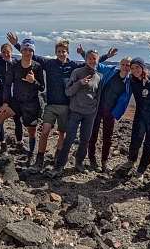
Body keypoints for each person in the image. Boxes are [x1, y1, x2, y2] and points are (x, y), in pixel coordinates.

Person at [7, 33, 111, 172]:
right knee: (45, 131)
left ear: (67, 53)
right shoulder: (49, 64)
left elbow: (91, 62)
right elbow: (30, 55)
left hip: (67, 106)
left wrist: (105, 57)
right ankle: (39, 159)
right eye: (59, 51)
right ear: (56, 53)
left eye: (64, 51)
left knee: (62, 133)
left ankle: (57, 157)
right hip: (51, 104)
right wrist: (16, 44)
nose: (61, 54)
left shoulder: (73, 66)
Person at [78, 46, 132, 172]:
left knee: (108, 137)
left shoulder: (129, 81)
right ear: (120, 64)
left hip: (111, 112)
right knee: (93, 135)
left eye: (128, 65)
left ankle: (104, 162)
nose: (125, 67)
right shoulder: (111, 71)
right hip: (98, 108)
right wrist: (83, 53)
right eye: (123, 64)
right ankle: (92, 159)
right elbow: (93, 62)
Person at [49, 49, 102, 178]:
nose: (92, 61)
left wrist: (94, 111)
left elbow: (98, 96)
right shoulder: (77, 72)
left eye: (94, 58)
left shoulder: (99, 76)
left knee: (85, 140)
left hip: (89, 114)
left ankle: (79, 163)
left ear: (98, 60)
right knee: (69, 139)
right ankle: (59, 165)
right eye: (89, 58)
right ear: (86, 59)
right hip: (75, 111)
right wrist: (79, 83)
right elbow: (68, 92)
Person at [0, 38, 44, 160]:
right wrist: (5, 103)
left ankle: (31, 154)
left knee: (31, 131)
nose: (27, 52)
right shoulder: (15, 65)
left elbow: (42, 87)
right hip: (16, 101)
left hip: (31, 104)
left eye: (30, 50)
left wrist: (33, 81)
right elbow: (7, 85)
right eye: (25, 49)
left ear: (33, 52)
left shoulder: (37, 67)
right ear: (21, 51)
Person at [116, 57, 150, 180]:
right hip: (140, 116)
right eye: (132, 68)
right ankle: (131, 161)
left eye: (137, 67)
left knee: (148, 144)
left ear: (143, 67)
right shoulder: (132, 80)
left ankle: (141, 169)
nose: (134, 70)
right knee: (135, 141)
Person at [0, 43, 23, 152]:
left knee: (17, 119)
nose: (6, 54)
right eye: (3, 52)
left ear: (11, 52)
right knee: (0, 119)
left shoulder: (16, 63)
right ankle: (3, 143)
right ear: (1, 53)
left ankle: (19, 142)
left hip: (14, 97)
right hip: (0, 95)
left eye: (7, 52)